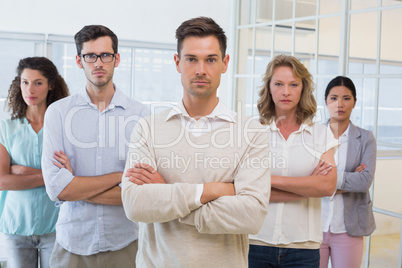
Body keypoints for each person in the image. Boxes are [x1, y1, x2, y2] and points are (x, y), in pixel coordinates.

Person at [121, 17, 270, 267]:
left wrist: (166, 193)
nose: (201, 70)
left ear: (225, 63)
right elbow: (136, 205)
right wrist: (210, 190)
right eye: (191, 59)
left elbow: (251, 216)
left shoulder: (251, 133)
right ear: (178, 63)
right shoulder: (147, 128)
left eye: (210, 59)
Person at [41, 25, 149, 268]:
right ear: (79, 61)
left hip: (125, 244)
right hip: (72, 244)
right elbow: (57, 190)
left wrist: (76, 182)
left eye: (105, 55)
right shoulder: (58, 113)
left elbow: (140, 193)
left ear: (116, 59)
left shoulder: (141, 114)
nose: (98, 63)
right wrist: (119, 176)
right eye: (90, 56)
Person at [248, 54, 338, 268]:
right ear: (269, 88)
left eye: (293, 84)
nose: (286, 91)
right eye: (278, 84)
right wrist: (307, 186)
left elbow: (327, 186)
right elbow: (243, 188)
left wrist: (268, 180)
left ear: (303, 89)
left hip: (303, 249)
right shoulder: (252, 132)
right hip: (256, 242)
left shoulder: (321, 135)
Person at [0, 57, 69, 268]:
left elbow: (73, 177)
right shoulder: (6, 128)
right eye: (25, 82)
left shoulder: (65, 129)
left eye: (38, 82)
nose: (30, 89)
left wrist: (21, 172)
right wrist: (51, 177)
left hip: (56, 226)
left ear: (51, 85)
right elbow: (2, 181)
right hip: (16, 227)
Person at [319, 76, 376, 268]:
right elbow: (306, 178)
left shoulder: (366, 138)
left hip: (348, 228)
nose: (340, 104)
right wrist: (350, 177)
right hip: (313, 226)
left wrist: (325, 181)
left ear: (354, 102)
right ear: (326, 101)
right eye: (333, 98)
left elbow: (364, 181)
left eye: (346, 98)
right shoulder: (312, 135)